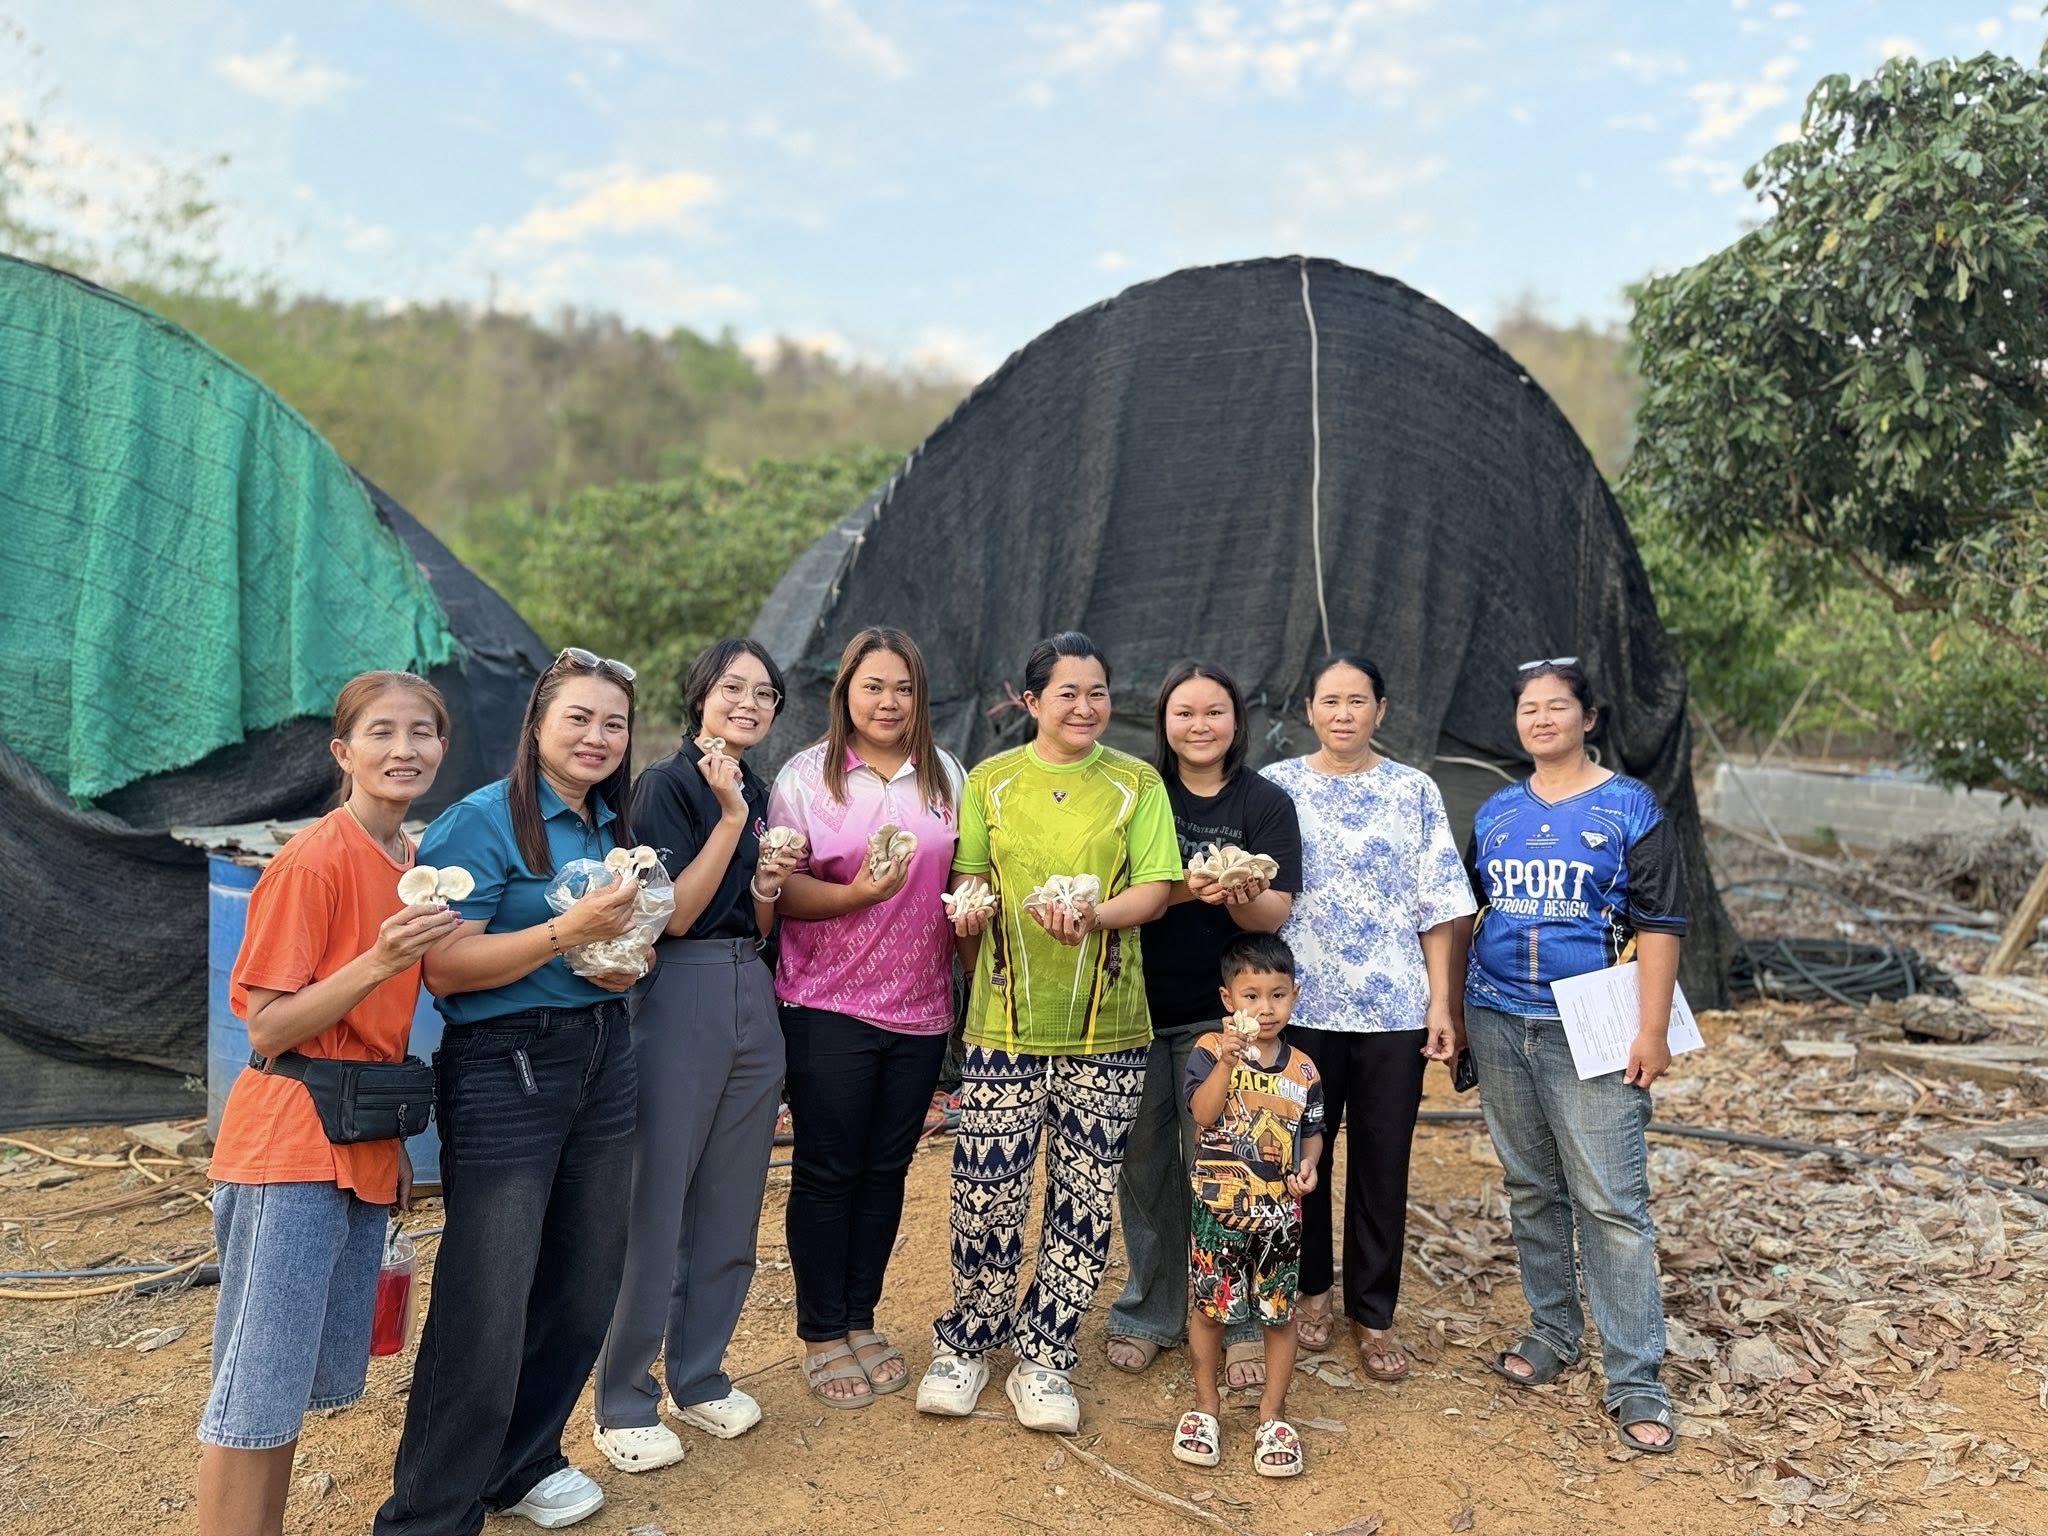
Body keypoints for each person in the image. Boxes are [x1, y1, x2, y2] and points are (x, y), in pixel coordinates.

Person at [377, 648, 646, 1535]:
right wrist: (572, 930)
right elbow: (447, 970)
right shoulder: (481, 821)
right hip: (507, 1066)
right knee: (487, 1297)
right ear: (537, 724)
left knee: (583, 1282)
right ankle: (429, 1514)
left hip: (603, 1052)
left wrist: (613, 960)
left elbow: (592, 946)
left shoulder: (609, 820)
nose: (597, 736)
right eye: (578, 717)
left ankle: (521, 1462)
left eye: (614, 722)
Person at [199, 673, 462, 1536]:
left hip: (355, 1140)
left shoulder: (409, 863)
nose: (404, 749)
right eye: (381, 733)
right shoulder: (315, 860)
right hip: (290, 1143)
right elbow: (268, 1026)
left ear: (442, 749)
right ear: (343, 753)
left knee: (282, 1392)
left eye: (421, 732)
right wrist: (381, 961)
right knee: (253, 1393)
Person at [914, 631, 1183, 1434]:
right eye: (1067, 693)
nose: (1086, 707)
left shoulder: (1136, 783)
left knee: (1085, 1195)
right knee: (985, 1188)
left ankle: (1047, 1358)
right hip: (1005, 1020)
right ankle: (967, 1341)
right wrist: (972, 905)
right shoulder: (992, 781)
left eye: (1097, 692)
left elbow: (1159, 888)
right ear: (1030, 702)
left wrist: (1095, 913)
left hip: (1109, 1025)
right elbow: (968, 877)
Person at [1462, 658, 1687, 1455]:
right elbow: (1473, 911)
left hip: (1589, 1026)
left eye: (1558, 707)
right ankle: (1553, 1331)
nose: (1542, 719)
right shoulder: (1494, 812)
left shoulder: (1629, 807)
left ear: (1589, 717)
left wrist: (1651, 1030)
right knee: (1531, 1186)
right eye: (1529, 708)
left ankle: (1635, 1379)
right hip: (1497, 1018)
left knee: (1611, 1204)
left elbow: (1661, 922)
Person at [591, 637, 798, 1469]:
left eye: (765, 694)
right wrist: (736, 824)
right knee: (657, 1200)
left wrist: (771, 884)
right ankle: (623, 1399)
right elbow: (675, 915)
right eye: (733, 689)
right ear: (701, 697)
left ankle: (701, 1376)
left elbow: (754, 920)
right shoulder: (670, 784)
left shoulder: (756, 784)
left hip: (754, 985)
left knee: (732, 1196)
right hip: (679, 992)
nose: (749, 704)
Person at [1260, 654, 1476, 1381]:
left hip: (1392, 1011)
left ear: (1381, 709)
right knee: (1303, 1159)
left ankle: (1373, 1315)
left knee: (1384, 1162)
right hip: (1301, 1010)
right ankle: (1312, 1292)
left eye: (1358, 700)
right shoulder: (1279, 787)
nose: (1344, 713)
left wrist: (1441, 1004)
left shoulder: (1412, 790)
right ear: (1310, 710)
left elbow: (1441, 904)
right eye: (1330, 700)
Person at [766, 628, 964, 1407]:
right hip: (827, 1002)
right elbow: (783, 889)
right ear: (845, 691)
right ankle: (821, 1331)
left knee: (887, 1170)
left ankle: (860, 1315)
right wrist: (858, 895)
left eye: (905, 688)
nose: (889, 702)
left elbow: (965, 877)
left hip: (920, 1009)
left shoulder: (946, 774)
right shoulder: (805, 777)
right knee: (826, 1169)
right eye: (873, 686)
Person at [1106, 661, 1301, 1390]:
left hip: (1228, 1018)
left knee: (1226, 1162)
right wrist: (1187, 892)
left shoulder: (1264, 802)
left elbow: (1273, 915)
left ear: (1236, 720)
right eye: (1183, 712)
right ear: (1162, 721)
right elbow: (1128, 893)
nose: (1198, 725)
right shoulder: (1135, 792)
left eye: (1213, 712)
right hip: (1131, 1005)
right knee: (1146, 1161)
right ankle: (1150, 1311)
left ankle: (1243, 1316)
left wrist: (1237, 894)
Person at [1173, 932, 1323, 1478]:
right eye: (1251, 995)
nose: (1265, 1008)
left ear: (1295, 995)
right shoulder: (1210, 1051)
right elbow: (1206, 1115)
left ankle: (1272, 1415)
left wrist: (1309, 1164)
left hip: (1281, 1216)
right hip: (1217, 1213)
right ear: (1227, 999)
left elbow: (1313, 1130)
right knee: (1211, 1309)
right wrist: (1228, 1063)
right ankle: (1206, 1406)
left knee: (1278, 1313)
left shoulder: (1304, 1069)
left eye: (1277, 995)